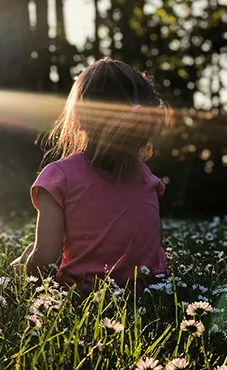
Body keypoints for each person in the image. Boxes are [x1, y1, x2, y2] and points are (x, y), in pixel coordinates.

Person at [11, 58, 171, 293]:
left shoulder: (59, 178)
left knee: (29, 256)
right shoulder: (147, 178)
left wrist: (19, 271)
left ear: (80, 117)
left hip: (84, 294)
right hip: (148, 290)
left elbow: (47, 256)